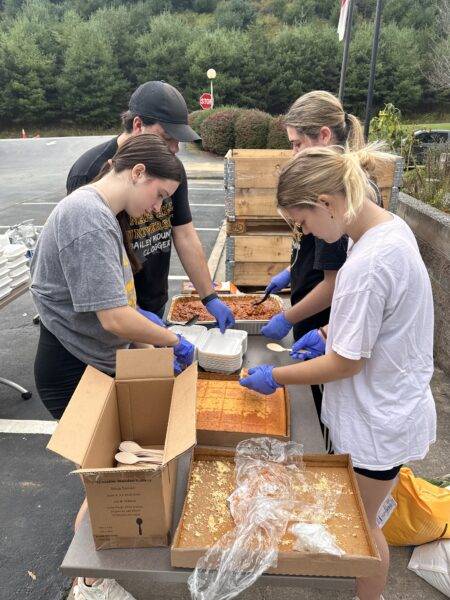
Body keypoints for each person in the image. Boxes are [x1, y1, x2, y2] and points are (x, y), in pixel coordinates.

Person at [240, 143, 436, 600]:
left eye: (303, 223)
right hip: (387, 402)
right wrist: (328, 332)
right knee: (361, 517)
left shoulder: (369, 262)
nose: (306, 233)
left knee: (363, 526)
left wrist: (278, 375)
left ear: (326, 203)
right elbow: (381, 321)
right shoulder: (383, 231)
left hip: (378, 417)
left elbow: (348, 362)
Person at [31, 134, 196, 421]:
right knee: (103, 461)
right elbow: (114, 318)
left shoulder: (104, 212)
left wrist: (151, 357)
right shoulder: (88, 216)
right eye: (160, 195)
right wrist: (172, 341)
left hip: (95, 360)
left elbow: (120, 307)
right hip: (74, 368)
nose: (158, 208)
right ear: (138, 172)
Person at [67, 80, 234, 332]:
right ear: (137, 125)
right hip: (111, 314)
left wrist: (209, 296)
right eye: (168, 138)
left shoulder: (170, 168)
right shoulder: (88, 172)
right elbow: (84, 265)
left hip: (153, 303)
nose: (175, 149)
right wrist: (127, 311)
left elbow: (184, 234)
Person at [261, 90, 369, 450]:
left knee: (321, 430)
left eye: (296, 144)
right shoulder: (329, 200)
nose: (293, 153)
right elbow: (320, 260)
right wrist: (291, 276)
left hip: (335, 337)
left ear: (324, 136)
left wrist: (290, 319)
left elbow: (337, 280)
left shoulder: (337, 203)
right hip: (327, 330)